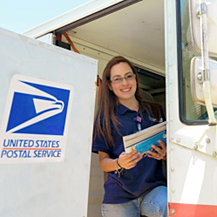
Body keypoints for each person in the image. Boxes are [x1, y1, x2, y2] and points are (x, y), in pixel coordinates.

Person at [92, 56, 167, 217]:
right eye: (117, 79)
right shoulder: (105, 118)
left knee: (168, 202)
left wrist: (165, 155)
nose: (125, 83)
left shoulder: (156, 111)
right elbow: (104, 163)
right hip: (119, 199)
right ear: (110, 86)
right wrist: (119, 162)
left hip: (153, 191)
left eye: (128, 76)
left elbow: (177, 149)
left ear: (135, 78)